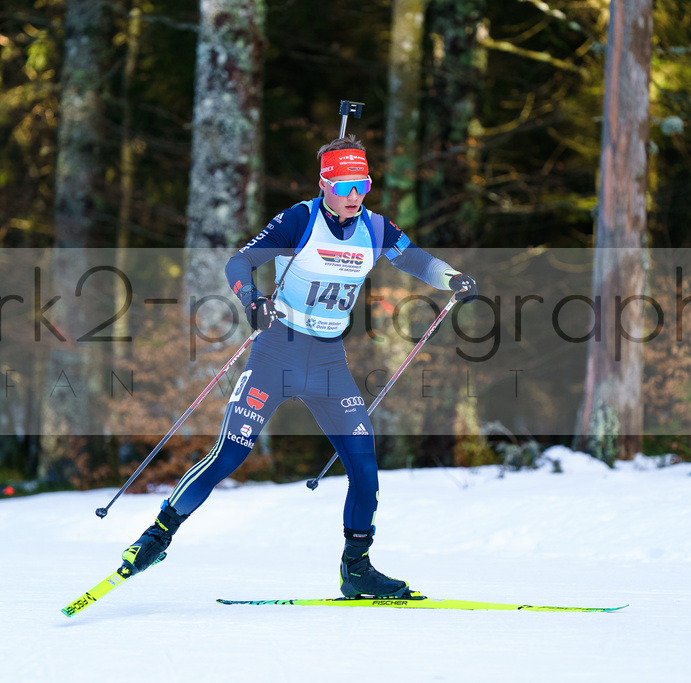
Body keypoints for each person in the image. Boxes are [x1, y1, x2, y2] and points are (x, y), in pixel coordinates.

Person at [122, 135, 477, 598]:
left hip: (329, 361)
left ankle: (357, 569)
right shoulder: (300, 219)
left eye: (363, 184)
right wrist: (251, 300)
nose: (355, 196)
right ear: (325, 182)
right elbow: (241, 260)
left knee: (365, 466)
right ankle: (157, 535)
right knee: (231, 452)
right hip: (277, 351)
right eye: (346, 185)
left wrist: (451, 277)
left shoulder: (375, 226)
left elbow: (414, 259)